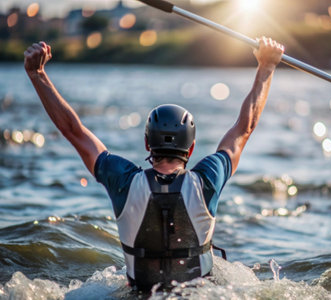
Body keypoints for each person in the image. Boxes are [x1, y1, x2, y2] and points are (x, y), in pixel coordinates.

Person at [24, 36, 284, 291]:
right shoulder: (208, 179)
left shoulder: (123, 180)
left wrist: (38, 74)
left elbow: (74, 131)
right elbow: (244, 128)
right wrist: (267, 67)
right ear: (191, 148)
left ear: (147, 144)